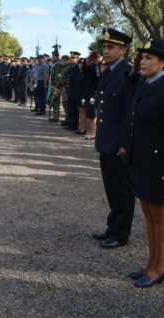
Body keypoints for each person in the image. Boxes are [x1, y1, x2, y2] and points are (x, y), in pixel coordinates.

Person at [92, 28, 135, 249]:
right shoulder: (109, 72)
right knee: (111, 187)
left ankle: (120, 233)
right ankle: (112, 226)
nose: (105, 51)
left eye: (110, 47)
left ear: (123, 50)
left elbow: (130, 113)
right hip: (107, 139)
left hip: (118, 142)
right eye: (105, 47)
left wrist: (124, 143)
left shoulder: (127, 74)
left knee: (122, 189)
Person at [127, 39, 164, 287]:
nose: (143, 61)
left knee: (160, 216)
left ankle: (159, 267)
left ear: (162, 63)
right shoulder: (145, 83)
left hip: (159, 163)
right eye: (142, 57)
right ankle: (151, 262)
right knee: (149, 214)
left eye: (150, 58)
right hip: (143, 160)